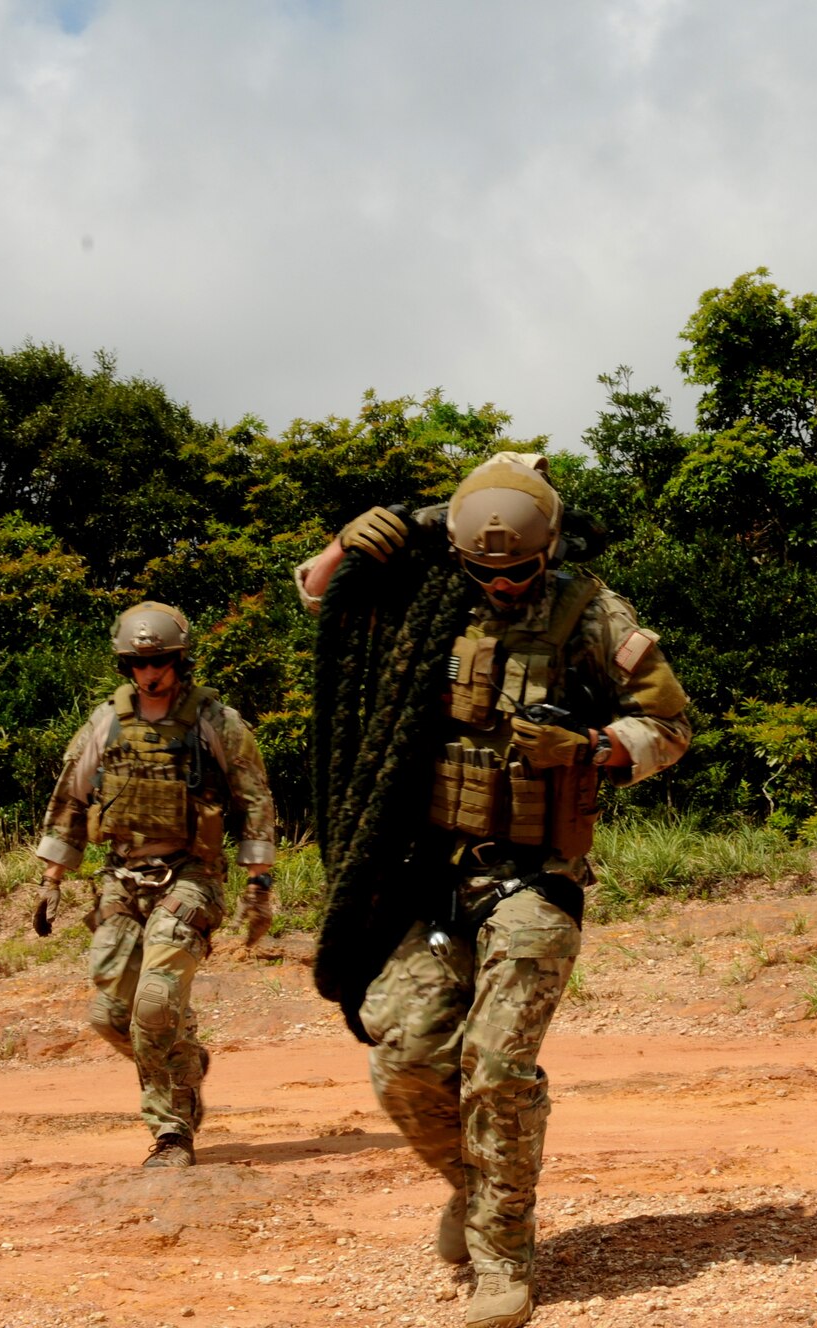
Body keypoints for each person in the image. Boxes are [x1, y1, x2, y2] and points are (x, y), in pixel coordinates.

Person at [299, 454, 690, 1328]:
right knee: (402, 1060)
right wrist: (363, 531)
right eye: (488, 571)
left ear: (549, 549)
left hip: (533, 877)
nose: (505, 585)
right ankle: (472, 1191)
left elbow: (669, 726)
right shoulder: (427, 593)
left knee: (497, 1065)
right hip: (425, 870)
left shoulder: (594, 612)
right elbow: (327, 600)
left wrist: (591, 749)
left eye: (521, 571)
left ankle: (502, 1254)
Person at [32, 600, 278, 1168]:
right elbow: (71, 797)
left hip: (191, 877)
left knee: (156, 1002)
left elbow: (255, 800)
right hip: (121, 878)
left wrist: (258, 883)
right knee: (108, 1015)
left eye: (160, 660)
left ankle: (171, 1134)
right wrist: (52, 878)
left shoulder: (216, 721)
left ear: (179, 659)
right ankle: (185, 1063)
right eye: (137, 664)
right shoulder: (107, 720)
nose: (149, 673)